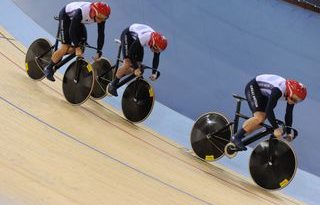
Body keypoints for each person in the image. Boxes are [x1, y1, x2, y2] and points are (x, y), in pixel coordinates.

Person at [231, 74, 307, 151]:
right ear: (290, 91)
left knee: (260, 123)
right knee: (259, 118)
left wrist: (288, 132)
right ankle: (236, 137)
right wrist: (276, 128)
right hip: (254, 86)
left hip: (265, 93)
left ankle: (242, 133)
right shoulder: (278, 90)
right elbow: (269, 110)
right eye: (294, 99)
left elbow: (288, 113)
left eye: (298, 101)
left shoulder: (291, 95)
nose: (295, 101)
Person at [43, 1, 111, 81]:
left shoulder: (101, 18)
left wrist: (99, 51)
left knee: (82, 47)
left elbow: (101, 34)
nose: (100, 21)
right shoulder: (81, 12)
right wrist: (77, 47)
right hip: (66, 17)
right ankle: (48, 67)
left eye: (104, 18)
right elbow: (71, 31)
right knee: (66, 47)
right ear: (93, 11)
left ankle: (57, 55)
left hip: (78, 21)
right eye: (99, 17)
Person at [107, 23, 168, 96]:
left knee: (137, 67)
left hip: (137, 40)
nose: (157, 52)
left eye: (159, 51)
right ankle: (112, 84)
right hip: (128, 35)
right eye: (156, 49)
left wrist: (154, 73)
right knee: (128, 63)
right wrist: (136, 68)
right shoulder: (145, 37)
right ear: (153, 43)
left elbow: (156, 57)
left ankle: (118, 74)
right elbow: (131, 53)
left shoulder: (157, 44)